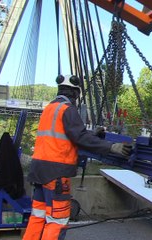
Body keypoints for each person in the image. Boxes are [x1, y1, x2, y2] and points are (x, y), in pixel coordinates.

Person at [23, 74, 132, 240]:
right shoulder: (68, 109)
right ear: (74, 93)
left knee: (38, 215)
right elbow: (79, 138)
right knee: (57, 220)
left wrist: (91, 134)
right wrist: (112, 147)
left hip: (38, 171)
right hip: (56, 174)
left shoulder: (49, 109)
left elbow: (65, 136)